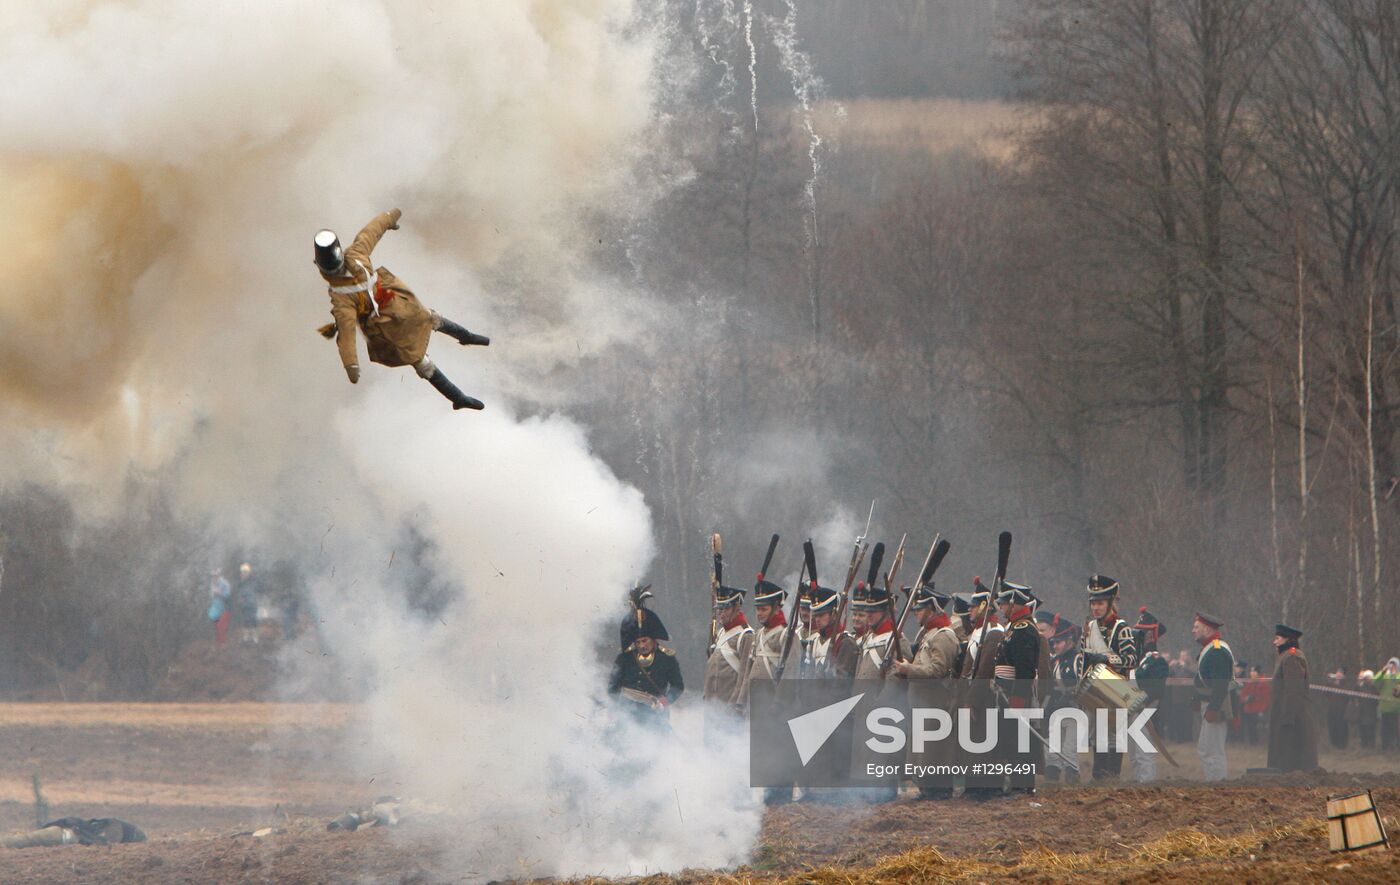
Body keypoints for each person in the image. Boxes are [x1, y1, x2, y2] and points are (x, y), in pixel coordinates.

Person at [313, 209, 489, 411]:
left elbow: (371, 231)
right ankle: (459, 394)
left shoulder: (351, 268)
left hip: (390, 307)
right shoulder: (347, 279)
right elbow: (346, 335)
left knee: (427, 328)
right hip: (388, 317)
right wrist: (351, 365)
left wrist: (390, 217)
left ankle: (465, 344)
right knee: (422, 346)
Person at [893, 583, 960, 799]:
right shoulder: (930, 634)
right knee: (923, 751)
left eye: (919, 609)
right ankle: (927, 788)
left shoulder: (942, 636)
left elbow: (938, 670)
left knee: (934, 752)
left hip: (936, 702)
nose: (915, 613)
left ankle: (937, 790)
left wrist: (908, 668)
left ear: (931, 609)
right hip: (923, 701)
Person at [847, 578, 907, 804]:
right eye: (867, 611)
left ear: (885, 612)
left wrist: (881, 705)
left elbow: (896, 678)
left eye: (874, 611)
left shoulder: (895, 639)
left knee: (881, 757)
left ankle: (884, 796)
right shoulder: (869, 639)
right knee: (863, 754)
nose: (869, 615)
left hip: (882, 709)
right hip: (864, 705)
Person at [1079, 575, 1138, 780]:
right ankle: (1099, 776)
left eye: (1100, 603)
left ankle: (1111, 776)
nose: (1096, 607)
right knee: (1097, 735)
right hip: (1094, 690)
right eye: (1093, 603)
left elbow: (1131, 659)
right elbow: (1082, 659)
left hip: (1116, 690)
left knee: (1113, 736)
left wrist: (1104, 659)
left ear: (1110, 603)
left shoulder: (1121, 628)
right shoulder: (1089, 628)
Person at [993, 582, 1048, 795]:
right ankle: (1017, 784)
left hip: (1018, 695)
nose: (1002, 608)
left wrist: (1018, 701)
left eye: (1005, 603)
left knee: (1021, 744)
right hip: (1009, 693)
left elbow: (1024, 670)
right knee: (1012, 742)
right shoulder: (1015, 628)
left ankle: (1023, 786)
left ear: (1015, 603)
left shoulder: (1023, 630)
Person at [958, 585, 1007, 799]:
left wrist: (972, 699)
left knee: (987, 746)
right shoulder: (979, 631)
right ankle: (974, 786)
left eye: (974, 607)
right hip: (974, 693)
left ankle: (989, 787)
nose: (970, 611)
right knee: (974, 744)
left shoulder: (994, 632)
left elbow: (985, 669)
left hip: (986, 696)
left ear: (984, 607)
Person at [608, 594, 683, 729]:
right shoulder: (624, 658)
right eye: (638, 642)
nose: (642, 645)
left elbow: (677, 686)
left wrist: (666, 700)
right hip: (626, 713)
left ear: (654, 639)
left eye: (645, 641)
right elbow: (613, 687)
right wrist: (613, 709)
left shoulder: (667, 658)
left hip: (654, 714)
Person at [1266, 624, 1317, 772]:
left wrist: (1288, 717)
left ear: (1287, 639)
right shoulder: (1285, 656)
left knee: (1291, 755)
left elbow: (1293, 690)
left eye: (1277, 638)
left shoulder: (1292, 656)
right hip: (1287, 712)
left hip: (1293, 715)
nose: (1274, 642)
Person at [1192, 611, 1234, 782]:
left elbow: (1220, 684)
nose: (1192, 630)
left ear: (1207, 630)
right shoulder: (1210, 649)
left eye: (1196, 627)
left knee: (1213, 751)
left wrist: (1213, 709)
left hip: (1215, 706)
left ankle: (1218, 785)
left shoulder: (1217, 651)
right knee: (1205, 749)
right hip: (1209, 704)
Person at [1130, 607, 1170, 782]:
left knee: (1144, 752)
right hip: (1132, 710)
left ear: (1150, 636)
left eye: (1143, 632)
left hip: (1146, 711)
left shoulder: (1157, 661)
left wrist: (1139, 701)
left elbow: (1156, 690)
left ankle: (1147, 784)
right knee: (1134, 753)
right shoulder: (1137, 659)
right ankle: (1138, 782)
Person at [703, 586, 753, 711]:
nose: (721, 612)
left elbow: (744, 675)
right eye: (719, 608)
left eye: (726, 608)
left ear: (737, 608)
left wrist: (736, 705)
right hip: (712, 706)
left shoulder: (746, 635)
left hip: (730, 707)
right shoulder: (720, 633)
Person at [1044, 617, 1082, 784]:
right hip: (1055, 709)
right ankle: (1052, 782)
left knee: (1069, 750)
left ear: (1069, 641)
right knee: (1052, 750)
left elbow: (1082, 685)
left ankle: (1072, 782)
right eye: (1054, 642)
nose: (1055, 646)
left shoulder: (1078, 659)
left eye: (1059, 642)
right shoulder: (1056, 662)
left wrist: (1068, 697)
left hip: (1073, 710)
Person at [1240, 665, 1270, 746]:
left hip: (1258, 709)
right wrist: (1246, 699)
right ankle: (1251, 743)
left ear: (1258, 673)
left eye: (1253, 671)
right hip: (1249, 709)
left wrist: (1262, 710)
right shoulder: (1249, 682)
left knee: (1258, 727)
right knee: (1250, 727)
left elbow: (1266, 698)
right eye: (1251, 671)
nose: (1251, 673)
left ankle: (1258, 743)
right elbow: (1242, 695)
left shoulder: (1263, 682)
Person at [1376, 657, 1400, 751]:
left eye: (1394, 665)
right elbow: (1376, 683)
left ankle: (1397, 748)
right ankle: (1386, 748)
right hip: (1385, 708)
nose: (1392, 667)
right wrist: (1382, 672)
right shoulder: (1384, 676)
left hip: (1397, 709)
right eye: (1391, 664)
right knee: (1385, 731)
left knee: (1397, 730)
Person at [1325, 668, 1351, 750]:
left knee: (1342, 727)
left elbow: (1347, 694)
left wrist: (1339, 683)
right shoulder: (1331, 683)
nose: (1338, 675)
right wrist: (1329, 682)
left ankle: (1342, 744)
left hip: (1342, 710)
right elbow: (1325, 693)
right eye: (1337, 673)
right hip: (1332, 710)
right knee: (1332, 727)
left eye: (1341, 673)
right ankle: (1334, 744)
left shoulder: (1346, 684)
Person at [235, 562, 259, 645]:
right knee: (246, 620)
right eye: (243, 572)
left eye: (245, 572)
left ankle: (255, 637)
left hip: (252, 603)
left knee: (253, 619)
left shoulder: (253, 581)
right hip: (244, 604)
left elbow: (256, 590)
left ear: (249, 572)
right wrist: (240, 599)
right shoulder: (240, 582)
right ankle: (246, 637)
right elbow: (238, 591)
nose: (244, 574)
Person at [1354, 669, 1378, 749]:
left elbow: (1376, 699)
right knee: (1362, 729)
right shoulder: (1360, 686)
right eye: (1367, 677)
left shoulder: (1374, 687)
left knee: (1371, 729)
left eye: (1370, 677)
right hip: (1362, 711)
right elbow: (1355, 694)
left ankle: (1372, 745)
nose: (1368, 679)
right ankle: (1364, 745)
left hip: (1372, 711)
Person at [207, 568, 232, 645]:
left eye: (216, 576)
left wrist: (219, 593)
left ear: (219, 575)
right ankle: (219, 642)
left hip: (224, 607)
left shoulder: (225, 584)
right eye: (213, 576)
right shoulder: (212, 584)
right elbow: (211, 595)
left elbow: (227, 596)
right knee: (216, 625)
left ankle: (224, 643)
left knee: (222, 626)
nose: (214, 578)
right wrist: (213, 594)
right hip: (215, 607)